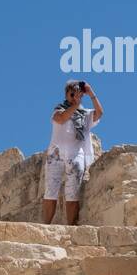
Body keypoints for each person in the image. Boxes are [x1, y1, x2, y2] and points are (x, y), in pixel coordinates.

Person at [42, 80, 103, 225]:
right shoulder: (59, 110)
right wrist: (75, 104)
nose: (74, 96)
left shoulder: (85, 114)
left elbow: (100, 113)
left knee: (73, 194)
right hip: (55, 155)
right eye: (71, 93)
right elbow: (62, 119)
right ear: (66, 94)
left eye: (77, 93)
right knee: (50, 191)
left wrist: (91, 93)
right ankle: (46, 225)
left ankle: (71, 228)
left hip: (76, 155)